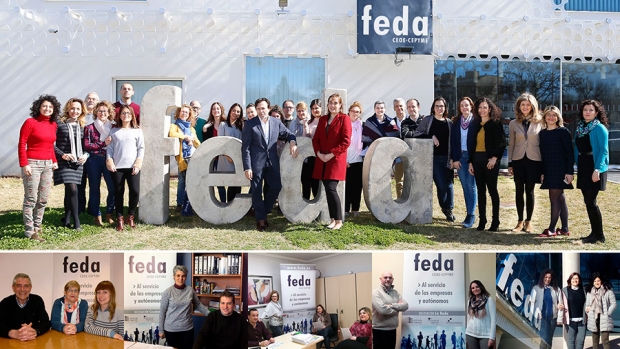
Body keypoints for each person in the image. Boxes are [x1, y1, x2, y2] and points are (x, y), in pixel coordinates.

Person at [241, 98, 298, 231]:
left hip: (272, 161)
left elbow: (288, 134)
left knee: (276, 186)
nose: (261, 111)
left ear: (268, 108)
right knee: (256, 190)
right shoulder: (250, 124)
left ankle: (263, 211)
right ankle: (261, 219)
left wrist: (293, 142)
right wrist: (247, 167)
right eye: (259, 109)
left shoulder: (276, 122)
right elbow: (246, 148)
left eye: (264, 108)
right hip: (256, 163)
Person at [18, 94, 60, 242]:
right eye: (44, 106)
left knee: (43, 199)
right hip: (32, 164)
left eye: (50, 107)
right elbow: (22, 143)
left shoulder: (53, 125)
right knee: (31, 198)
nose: (47, 108)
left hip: (48, 165)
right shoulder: (30, 122)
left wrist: (54, 161)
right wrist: (24, 164)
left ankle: (37, 226)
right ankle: (30, 231)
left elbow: (50, 146)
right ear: (39, 107)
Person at [312, 93, 352, 230]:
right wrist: (318, 153)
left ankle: (339, 220)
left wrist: (331, 154)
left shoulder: (344, 119)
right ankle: (333, 219)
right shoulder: (323, 119)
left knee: (331, 188)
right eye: (330, 102)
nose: (332, 105)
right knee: (328, 190)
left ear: (340, 105)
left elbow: (346, 141)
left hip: (335, 160)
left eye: (335, 103)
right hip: (322, 159)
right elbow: (316, 139)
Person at [413, 97, 454, 222]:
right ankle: (444, 207)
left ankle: (449, 210)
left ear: (445, 108)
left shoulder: (449, 123)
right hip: (434, 159)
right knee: (441, 185)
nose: (439, 108)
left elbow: (453, 142)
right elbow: (417, 133)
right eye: (437, 106)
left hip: (447, 158)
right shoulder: (428, 120)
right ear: (433, 108)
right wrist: (431, 136)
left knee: (450, 185)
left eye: (441, 106)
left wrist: (452, 158)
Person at [468, 98, 506, 231]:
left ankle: (495, 221)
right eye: (480, 108)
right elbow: (471, 145)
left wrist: (495, 158)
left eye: (485, 107)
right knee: (481, 191)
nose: (482, 110)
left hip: (490, 161)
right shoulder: (475, 124)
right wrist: (470, 162)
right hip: (477, 160)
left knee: (492, 191)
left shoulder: (496, 124)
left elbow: (501, 143)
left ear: (490, 109)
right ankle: (482, 220)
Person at [575, 100, 609, 244]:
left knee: (591, 201)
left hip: (594, 166)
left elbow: (603, 150)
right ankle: (594, 233)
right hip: (583, 166)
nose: (587, 112)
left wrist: (598, 169)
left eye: (591, 110)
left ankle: (599, 235)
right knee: (588, 202)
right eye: (585, 110)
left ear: (596, 113)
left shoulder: (600, 128)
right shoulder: (580, 128)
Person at [508, 93, 543, 233]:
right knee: (518, 190)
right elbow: (511, 144)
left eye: (528, 105)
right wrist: (510, 163)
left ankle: (528, 222)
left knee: (530, 190)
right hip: (518, 160)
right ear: (519, 106)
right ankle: (519, 221)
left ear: (532, 106)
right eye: (523, 104)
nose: (525, 107)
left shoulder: (540, 122)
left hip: (534, 160)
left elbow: (543, 143)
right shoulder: (513, 123)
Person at [106, 105, 145, 231]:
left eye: (128, 113)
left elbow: (141, 148)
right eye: (123, 113)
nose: (126, 115)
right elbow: (109, 148)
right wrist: (110, 161)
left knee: (135, 191)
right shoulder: (114, 131)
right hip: (117, 167)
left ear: (132, 115)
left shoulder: (137, 131)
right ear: (120, 115)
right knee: (118, 193)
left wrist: (138, 164)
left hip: (133, 167)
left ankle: (131, 216)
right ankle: (120, 219)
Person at [538, 106, 574, 237]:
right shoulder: (542, 133)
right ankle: (564, 229)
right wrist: (542, 172)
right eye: (548, 115)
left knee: (554, 199)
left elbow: (569, 153)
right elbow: (542, 154)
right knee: (560, 198)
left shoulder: (563, 132)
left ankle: (552, 229)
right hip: (548, 169)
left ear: (558, 117)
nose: (551, 117)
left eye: (554, 115)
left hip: (561, 170)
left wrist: (570, 172)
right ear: (545, 117)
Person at [54, 98, 88, 231]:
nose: (75, 111)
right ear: (68, 109)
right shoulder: (59, 124)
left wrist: (86, 155)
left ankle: (66, 220)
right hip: (63, 162)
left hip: (78, 163)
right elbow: (51, 144)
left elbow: (87, 147)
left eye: (78, 109)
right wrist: (63, 154)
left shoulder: (83, 126)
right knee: (73, 190)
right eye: (73, 108)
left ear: (82, 111)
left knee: (69, 192)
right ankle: (77, 221)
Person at [159, 265, 209, 349]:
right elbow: (162, 312)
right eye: (178, 275)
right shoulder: (167, 292)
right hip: (171, 330)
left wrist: (210, 314)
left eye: (183, 276)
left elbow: (198, 305)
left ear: (186, 277)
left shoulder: (190, 291)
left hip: (187, 329)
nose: (180, 278)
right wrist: (161, 330)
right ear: (173, 276)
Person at [83, 100, 115, 226]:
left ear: (109, 113)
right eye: (100, 111)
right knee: (94, 188)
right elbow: (87, 145)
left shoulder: (113, 127)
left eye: (105, 111)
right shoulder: (89, 127)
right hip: (94, 160)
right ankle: (97, 215)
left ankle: (109, 213)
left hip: (109, 159)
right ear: (96, 112)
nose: (102, 113)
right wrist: (103, 144)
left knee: (112, 188)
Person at [450, 97, 477, 228]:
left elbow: (477, 144)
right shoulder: (456, 122)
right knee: (465, 186)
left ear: (471, 106)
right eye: (462, 106)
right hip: (460, 157)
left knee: (471, 186)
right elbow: (453, 142)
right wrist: (455, 159)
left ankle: (471, 215)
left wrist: (472, 161)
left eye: (466, 105)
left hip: (472, 158)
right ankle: (468, 214)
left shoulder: (476, 121)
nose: (464, 108)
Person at [169, 104, 200, 215]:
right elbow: (172, 134)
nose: (184, 113)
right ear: (178, 113)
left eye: (186, 112)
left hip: (192, 157)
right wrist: (186, 137)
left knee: (188, 181)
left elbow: (197, 142)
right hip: (183, 158)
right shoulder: (174, 126)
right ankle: (180, 204)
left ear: (189, 115)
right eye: (182, 111)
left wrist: (193, 140)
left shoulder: (191, 128)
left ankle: (187, 206)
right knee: (182, 182)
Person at [0, 273, 51, 340]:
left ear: (30, 288)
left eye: (26, 286)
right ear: (13, 287)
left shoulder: (37, 300)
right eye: (19, 286)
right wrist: (13, 333)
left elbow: (46, 323)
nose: (22, 289)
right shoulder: (5, 302)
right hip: (11, 342)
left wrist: (35, 331)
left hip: (33, 341)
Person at [290, 101, 319, 200]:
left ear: (307, 111)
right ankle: (305, 200)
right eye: (299, 111)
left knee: (315, 181)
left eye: (303, 110)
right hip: (300, 156)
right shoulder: (293, 123)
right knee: (304, 181)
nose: (301, 113)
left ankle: (315, 201)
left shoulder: (311, 121)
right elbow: (291, 136)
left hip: (312, 156)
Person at [372, 271, 409, 349]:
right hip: (379, 331)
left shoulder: (395, 293)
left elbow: (406, 306)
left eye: (390, 277)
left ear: (393, 279)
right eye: (385, 277)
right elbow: (382, 310)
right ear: (380, 279)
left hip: (392, 330)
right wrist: (398, 308)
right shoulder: (376, 293)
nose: (387, 279)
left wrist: (392, 305)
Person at [218, 103, 244, 203]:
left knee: (237, 181)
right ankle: (228, 202)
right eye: (234, 110)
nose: (235, 113)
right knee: (228, 181)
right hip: (225, 157)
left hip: (238, 157)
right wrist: (227, 155)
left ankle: (236, 203)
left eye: (238, 111)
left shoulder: (241, 125)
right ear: (230, 111)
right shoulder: (223, 125)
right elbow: (220, 142)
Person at [80, 92, 100, 214]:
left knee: (94, 184)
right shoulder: (79, 116)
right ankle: (79, 209)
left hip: (94, 155)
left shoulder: (100, 117)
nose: (91, 100)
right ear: (85, 100)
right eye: (89, 98)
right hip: (79, 154)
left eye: (94, 99)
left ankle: (93, 209)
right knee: (80, 184)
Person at [203, 102, 227, 202]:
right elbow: (206, 142)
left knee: (226, 179)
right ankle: (222, 201)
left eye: (218, 108)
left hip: (224, 156)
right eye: (214, 109)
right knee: (217, 181)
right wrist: (205, 129)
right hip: (213, 157)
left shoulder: (226, 123)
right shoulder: (208, 125)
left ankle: (229, 200)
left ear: (221, 110)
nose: (216, 110)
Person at [585, 273, 616, 349]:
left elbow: (613, 303)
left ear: (601, 281)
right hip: (594, 319)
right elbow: (587, 304)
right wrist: (588, 311)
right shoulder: (589, 292)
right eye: (595, 281)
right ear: (592, 282)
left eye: (598, 280)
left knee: (605, 341)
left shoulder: (608, 291)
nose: (597, 282)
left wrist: (608, 313)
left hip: (604, 319)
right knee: (595, 341)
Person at [557, 272, 586, 349]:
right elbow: (559, 301)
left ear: (579, 280)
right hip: (570, 320)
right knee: (571, 340)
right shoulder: (564, 291)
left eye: (577, 278)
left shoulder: (584, 290)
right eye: (573, 278)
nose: (575, 280)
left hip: (582, 320)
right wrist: (558, 305)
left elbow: (588, 301)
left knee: (581, 340)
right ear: (570, 280)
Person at [533, 269, 560, 349]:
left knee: (549, 339)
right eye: (546, 277)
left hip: (552, 318)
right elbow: (532, 302)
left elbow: (559, 301)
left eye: (549, 277)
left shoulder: (555, 289)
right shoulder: (536, 288)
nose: (548, 279)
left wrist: (559, 305)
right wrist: (537, 311)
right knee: (544, 339)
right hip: (542, 318)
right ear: (542, 277)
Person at [345, 101, 364, 216]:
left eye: (357, 112)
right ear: (349, 111)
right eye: (353, 111)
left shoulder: (361, 125)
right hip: (347, 160)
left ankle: (355, 209)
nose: (355, 113)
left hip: (359, 160)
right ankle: (346, 209)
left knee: (357, 186)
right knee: (347, 186)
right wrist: (343, 160)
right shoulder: (344, 124)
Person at [465, 280, 496, 349]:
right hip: (471, 334)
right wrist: (467, 332)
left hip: (485, 335)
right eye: (472, 288)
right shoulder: (470, 301)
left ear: (481, 287)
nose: (475, 289)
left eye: (477, 287)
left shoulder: (489, 300)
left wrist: (492, 337)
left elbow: (494, 320)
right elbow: (468, 318)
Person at [392, 98, 408, 197]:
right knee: (399, 182)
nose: (399, 108)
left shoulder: (410, 120)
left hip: (410, 155)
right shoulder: (391, 122)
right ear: (394, 108)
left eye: (401, 106)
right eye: (397, 106)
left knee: (411, 181)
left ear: (405, 107)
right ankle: (400, 202)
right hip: (397, 157)